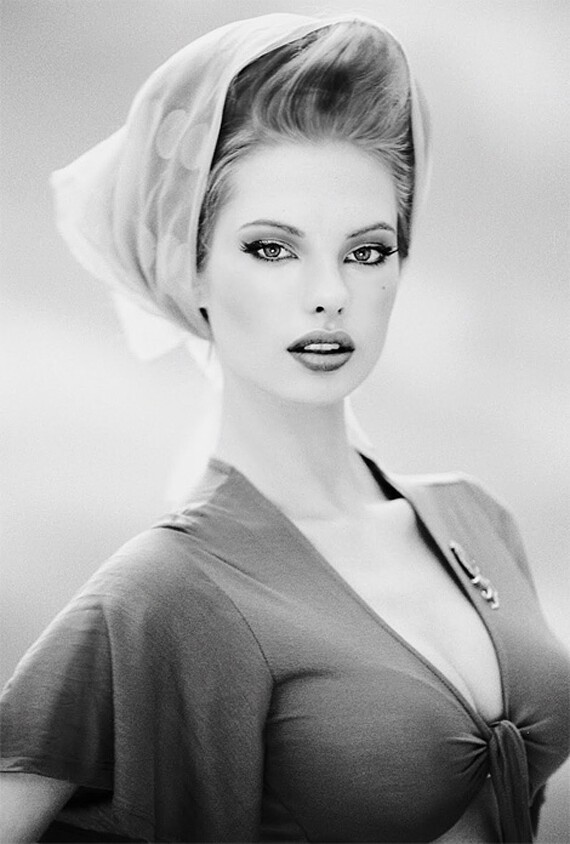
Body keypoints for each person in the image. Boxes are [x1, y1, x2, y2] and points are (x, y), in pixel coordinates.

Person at [0, 11, 568, 843]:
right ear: (190, 268)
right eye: (272, 248)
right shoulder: (170, 586)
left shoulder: (479, 517)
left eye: (367, 251)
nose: (329, 293)